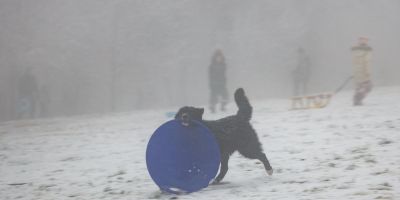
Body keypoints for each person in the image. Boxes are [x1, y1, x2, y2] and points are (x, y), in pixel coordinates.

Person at [351, 37, 373, 106]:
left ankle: (356, 100)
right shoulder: (366, 51)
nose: (366, 41)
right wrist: (368, 72)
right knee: (368, 86)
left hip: (357, 73)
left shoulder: (355, 51)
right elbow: (367, 62)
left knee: (359, 87)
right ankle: (357, 99)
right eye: (365, 40)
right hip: (364, 72)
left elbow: (355, 62)